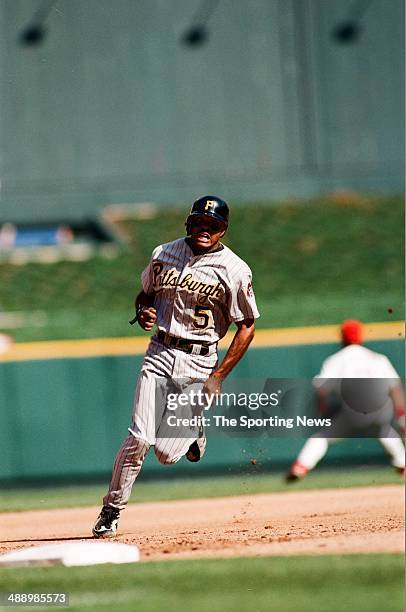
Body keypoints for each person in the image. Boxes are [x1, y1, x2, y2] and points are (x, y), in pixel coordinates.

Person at [93, 195, 260, 537]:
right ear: (188, 223)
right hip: (159, 350)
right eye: (199, 222)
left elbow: (247, 325)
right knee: (139, 438)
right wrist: (142, 311)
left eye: (212, 226)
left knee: (168, 455)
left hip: (200, 361)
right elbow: (145, 294)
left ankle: (194, 429)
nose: (204, 229)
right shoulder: (162, 253)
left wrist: (218, 376)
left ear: (222, 231)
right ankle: (112, 510)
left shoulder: (235, 269)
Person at [286, 320, 405, 481]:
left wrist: (321, 411)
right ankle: (402, 464)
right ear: (360, 337)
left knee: (322, 436)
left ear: (342, 337)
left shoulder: (336, 360)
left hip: (352, 412)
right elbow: (395, 388)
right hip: (380, 410)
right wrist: (401, 413)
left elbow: (321, 390)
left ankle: (301, 466)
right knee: (383, 430)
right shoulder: (378, 358)